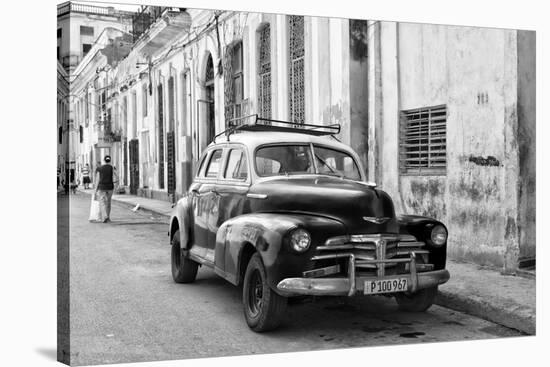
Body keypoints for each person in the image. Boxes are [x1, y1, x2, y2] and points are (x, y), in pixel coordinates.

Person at [94, 155, 118, 223]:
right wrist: (116, 183)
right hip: (110, 187)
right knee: (108, 202)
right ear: (110, 160)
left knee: (102, 202)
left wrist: (95, 189)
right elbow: (117, 176)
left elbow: (98, 179)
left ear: (104, 160)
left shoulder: (99, 168)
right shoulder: (112, 167)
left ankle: (105, 216)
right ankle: (108, 217)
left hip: (102, 187)